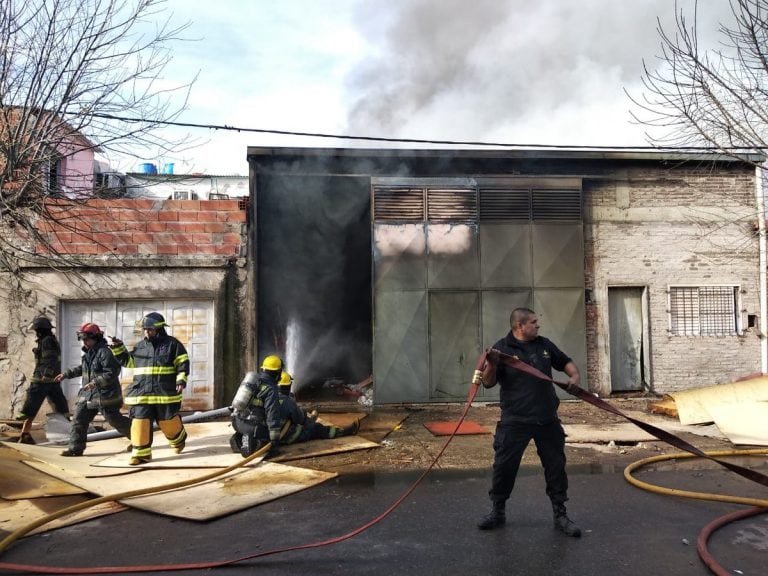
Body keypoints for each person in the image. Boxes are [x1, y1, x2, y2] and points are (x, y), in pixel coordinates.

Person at [477, 307, 582, 537]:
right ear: (519, 326)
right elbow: (487, 383)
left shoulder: (544, 345)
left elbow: (566, 362)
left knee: (555, 467)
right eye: (533, 322)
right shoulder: (502, 349)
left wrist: (574, 377)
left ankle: (560, 514)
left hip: (547, 419)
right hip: (515, 420)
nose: (538, 325)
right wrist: (493, 364)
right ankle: (498, 511)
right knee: (504, 467)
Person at [110, 312, 189, 465]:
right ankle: (140, 455)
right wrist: (118, 348)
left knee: (168, 424)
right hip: (141, 393)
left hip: (164, 393)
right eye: (145, 329)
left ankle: (178, 438)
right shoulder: (140, 346)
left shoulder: (173, 345)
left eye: (150, 329)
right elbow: (129, 362)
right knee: (139, 422)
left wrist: (181, 380)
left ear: (159, 329)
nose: (147, 332)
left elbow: (182, 363)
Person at [54, 323, 131, 456]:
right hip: (88, 394)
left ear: (95, 337)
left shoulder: (105, 352)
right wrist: (66, 374)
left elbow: (112, 372)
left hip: (105, 396)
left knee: (115, 420)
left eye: (86, 339)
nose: (84, 342)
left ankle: (140, 439)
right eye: (82, 339)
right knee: (78, 420)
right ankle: (75, 449)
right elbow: (83, 369)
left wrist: (95, 383)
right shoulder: (89, 353)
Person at [15, 316, 69, 444]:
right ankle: (25, 434)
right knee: (60, 406)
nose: (36, 332)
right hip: (52, 381)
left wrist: (47, 373)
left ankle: (25, 433)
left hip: (42, 379)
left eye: (36, 330)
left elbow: (50, 358)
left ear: (40, 330)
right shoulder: (49, 339)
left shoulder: (47, 341)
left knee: (31, 406)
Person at [277, 371, 359, 444]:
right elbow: (300, 418)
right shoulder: (287, 402)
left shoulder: (268, 397)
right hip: (286, 436)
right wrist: (310, 419)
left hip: (271, 436)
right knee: (316, 428)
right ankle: (343, 432)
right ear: (288, 385)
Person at [228, 355, 285, 458]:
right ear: (277, 372)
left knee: (248, 426)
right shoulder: (271, 389)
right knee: (270, 435)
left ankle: (238, 438)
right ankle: (255, 444)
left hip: (237, 423)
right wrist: (274, 442)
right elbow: (272, 415)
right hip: (254, 428)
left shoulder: (252, 381)